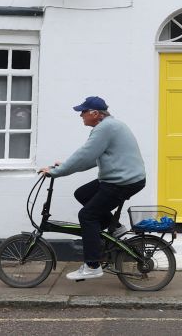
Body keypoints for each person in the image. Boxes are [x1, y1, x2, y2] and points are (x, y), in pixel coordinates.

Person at [40, 96, 146, 281]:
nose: (81, 115)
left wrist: (56, 172)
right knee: (82, 194)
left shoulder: (105, 128)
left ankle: (92, 265)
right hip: (119, 179)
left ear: (95, 113)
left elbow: (85, 155)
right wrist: (63, 166)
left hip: (123, 181)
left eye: (83, 111)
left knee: (87, 215)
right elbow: (91, 157)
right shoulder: (109, 126)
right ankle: (117, 228)